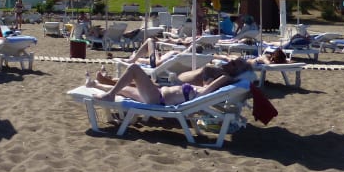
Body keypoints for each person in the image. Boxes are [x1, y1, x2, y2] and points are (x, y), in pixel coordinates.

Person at [85, 62, 237, 105]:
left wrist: (227, 77)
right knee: (123, 89)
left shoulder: (204, 93)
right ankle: (93, 84)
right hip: (156, 95)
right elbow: (208, 82)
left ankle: (109, 95)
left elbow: (223, 78)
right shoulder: (201, 89)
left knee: (134, 68)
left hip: (157, 98)